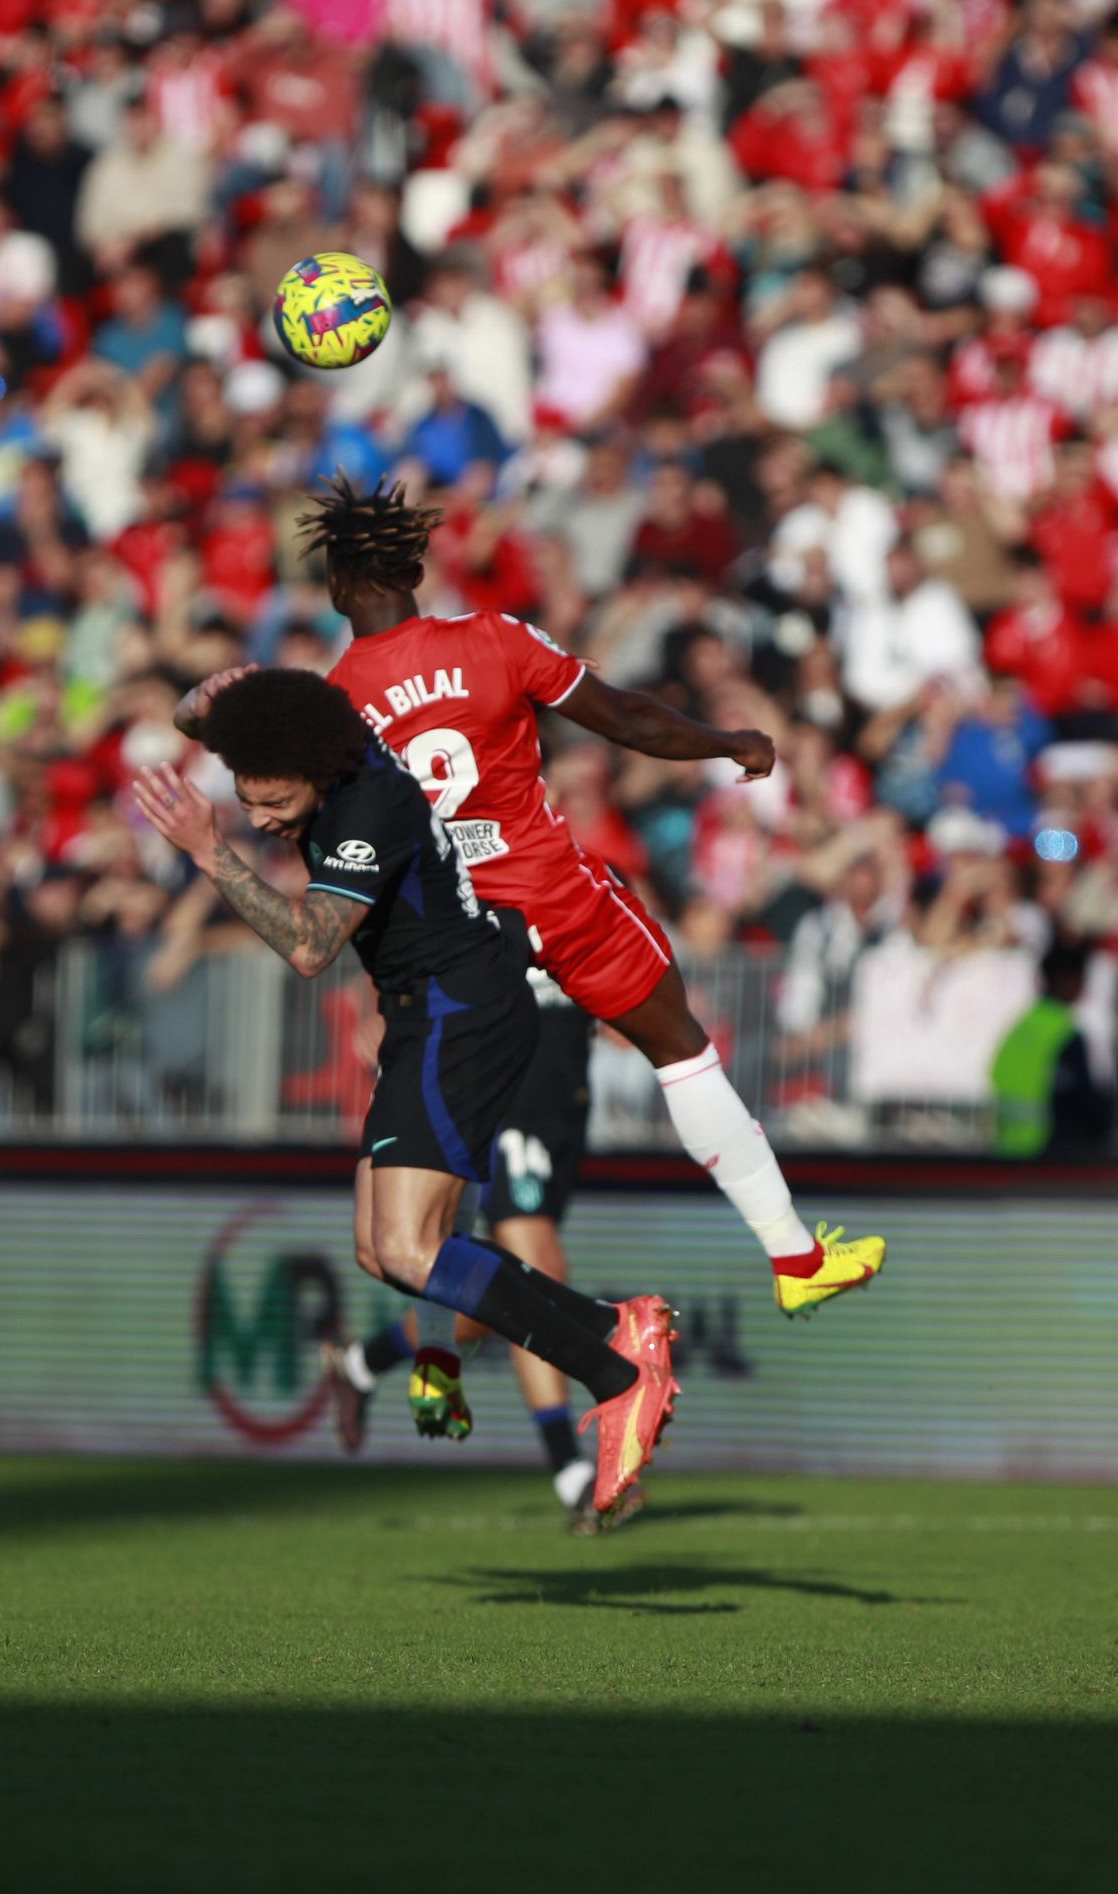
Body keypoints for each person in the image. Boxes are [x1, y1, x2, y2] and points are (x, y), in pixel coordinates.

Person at [178, 480, 884, 1367]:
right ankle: (794, 1254)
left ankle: (433, 1356)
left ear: (333, 588)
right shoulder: (494, 641)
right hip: (558, 899)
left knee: (448, 1149)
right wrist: (728, 742)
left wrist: (204, 712)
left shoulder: (335, 704)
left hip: (450, 944)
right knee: (679, 1049)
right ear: (416, 570)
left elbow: (315, 836)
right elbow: (623, 717)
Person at [134, 668, 679, 1515]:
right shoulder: (316, 747)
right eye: (247, 798)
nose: (262, 818)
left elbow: (311, 947)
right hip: (424, 1015)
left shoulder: (368, 806)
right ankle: (610, 1328)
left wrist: (211, 852)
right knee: (381, 1252)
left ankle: (616, 1366)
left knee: (414, 1248)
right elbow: (197, 717)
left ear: (317, 772)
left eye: (274, 800)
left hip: (462, 1014)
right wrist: (210, 697)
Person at [325, 969, 628, 1533]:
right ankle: (573, 1473)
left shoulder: (584, 880)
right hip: (505, 1089)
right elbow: (408, 926)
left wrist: (622, 1003)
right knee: (540, 1270)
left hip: (564, 1097)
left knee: (487, 1307)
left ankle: (362, 1363)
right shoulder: (470, 884)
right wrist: (391, 1003)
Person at [990, 941, 1111, 1160]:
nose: (1083, 986)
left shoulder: (1023, 1025)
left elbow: (996, 1072)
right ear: (1065, 979)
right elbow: (1078, 1101)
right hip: (1048, 1153)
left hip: (1010, 1149)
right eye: (1081, 978)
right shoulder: (1064, 1035)